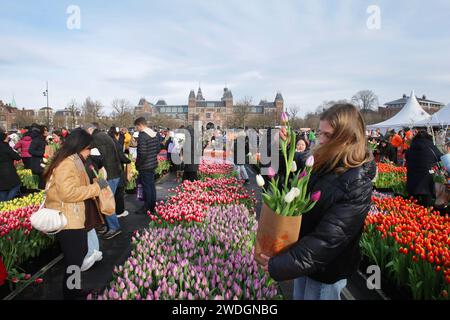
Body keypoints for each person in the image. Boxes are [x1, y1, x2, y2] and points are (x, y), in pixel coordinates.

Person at [260, 104, 376, 300]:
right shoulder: (322, 160)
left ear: (347, 138)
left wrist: (280, 266)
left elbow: (327, 240)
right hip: (302, 259)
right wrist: (284, 149)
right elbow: (286, 170)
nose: (320, 140)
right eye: (319, 133)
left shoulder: (356, 182)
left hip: (325, 270)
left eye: (328, 135)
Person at [43, 129, 108, 299]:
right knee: (74, 260)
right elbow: (68, 193)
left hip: (75, 218)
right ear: (79, 147)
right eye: (88, 149)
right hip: (68, 220)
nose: (89, 153)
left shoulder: (74, 161)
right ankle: (71, 294)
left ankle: (74, 290)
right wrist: (96, 188)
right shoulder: (67, 164)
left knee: (77, 258)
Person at [85, 123, 122, 240]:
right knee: (107, 199)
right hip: (113, 172)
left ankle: (114, 227)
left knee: (105, 200)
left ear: (90, 130)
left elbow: (99, 159)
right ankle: (110, 226)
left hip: (107, 175)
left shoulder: (95, 139)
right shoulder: (103, 135)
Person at [405, 130, 444, 208]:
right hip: (427, 178)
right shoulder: (431, 147)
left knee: (412, 205)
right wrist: (436, 169)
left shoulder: (411, 148)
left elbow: (407, 159)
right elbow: (441, 160)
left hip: (412, 178)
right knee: (426, 204)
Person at [134, 117, 161, 214]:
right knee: (151, 186)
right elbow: (158, 149)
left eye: (136, 127)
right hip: (152, 163)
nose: (136, 129)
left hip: (145, 166)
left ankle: (147, 207)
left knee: (146, 187)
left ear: (140, 125)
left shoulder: (143, 136)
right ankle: (152, 206)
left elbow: (142, 154)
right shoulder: (154, 134)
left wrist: (137, 164)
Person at [108, 127, 131, 218]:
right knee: (119, 191)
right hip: (117, 170)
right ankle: (119, 211)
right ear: (116, 135)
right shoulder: (116, 145)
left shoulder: (107, 142)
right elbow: (122, 157)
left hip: (107, 171)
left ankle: (112, 210)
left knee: (110, 193)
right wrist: (128, 161)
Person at [0, 131, 21, 201]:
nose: (8, 138)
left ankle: (3, 206)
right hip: (8, 170)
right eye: (6, 137)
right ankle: (8, 201)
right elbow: (17, 157)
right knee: (17, 185)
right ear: (3, 138)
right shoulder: (5, 147)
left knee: (2, 189)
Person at [29, 125, 47, 190]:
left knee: (44, 179)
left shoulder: (45, 140)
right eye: (45, 130)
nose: (47, 131)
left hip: (45, 162)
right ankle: (40, 194)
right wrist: (42, 153)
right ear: (42, 131)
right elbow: (30, 150)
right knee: (42, 179)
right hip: (38, 163)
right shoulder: (36, 140)